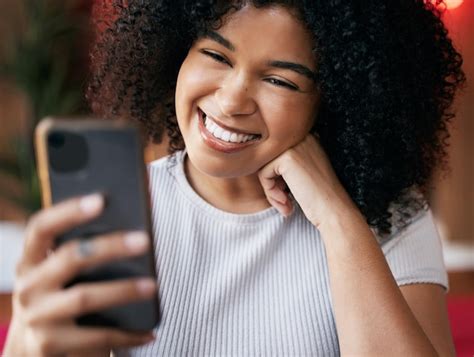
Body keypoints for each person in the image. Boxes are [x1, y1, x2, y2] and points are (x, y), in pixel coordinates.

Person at [4, 1, 466, 356]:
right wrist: (26, 341)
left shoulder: (390, 214)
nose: (231, 101)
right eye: (215, 55)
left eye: (281, 81)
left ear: (336, 100)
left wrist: (337, 217)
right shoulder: (118, 208)